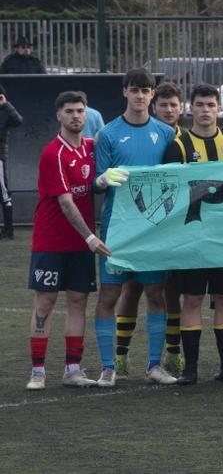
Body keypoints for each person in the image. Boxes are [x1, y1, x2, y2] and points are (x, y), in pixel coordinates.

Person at [26, 91, 119, 390]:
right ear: (59, 115)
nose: (76, 116)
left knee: (78, 301)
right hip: (51, 241)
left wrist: (105, 180)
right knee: (45, 301)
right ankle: (38, 371)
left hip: (80, 244)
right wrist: (91, 237)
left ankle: (73, 369)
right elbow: (66, 203)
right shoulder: (53, 153)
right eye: (69, 111)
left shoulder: (92, 147)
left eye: (80, 110)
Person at [92, 68, 178, 387]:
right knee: (109, 295)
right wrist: (102, 180)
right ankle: (107, 366)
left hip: (152, 230)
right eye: (134, 90)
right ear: (124, 93)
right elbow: (96, 184)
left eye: (145, 90)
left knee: (156, 294)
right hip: (117, 230)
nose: (140, 96)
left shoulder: (166, 134)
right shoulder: (109, 134)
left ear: (152, 95)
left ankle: (154, 365)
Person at [162, 84, 223, 385]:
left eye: (211, 105)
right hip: (192, 237)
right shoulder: (178, 145)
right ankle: (191, 369)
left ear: (218, 109)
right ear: (190, 109)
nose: (206, 110)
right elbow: (169, 191)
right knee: (193, 300)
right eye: (200, 105)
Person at [115, 80, 186, 377]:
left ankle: (171, 353)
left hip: (176, 226)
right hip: (137, 225)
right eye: (164, 106)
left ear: (182, 108)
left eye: (173, 105)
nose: (168, 110)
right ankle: (120, 354)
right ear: (155, 106)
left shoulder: (188, 138)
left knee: (172, 291)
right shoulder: (151, 134)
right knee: (131, 289)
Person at [0, 82, 23, 239]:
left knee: (3, 193)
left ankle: (9, 230)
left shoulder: (4, 111)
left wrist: (6, 104)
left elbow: (18, 120)